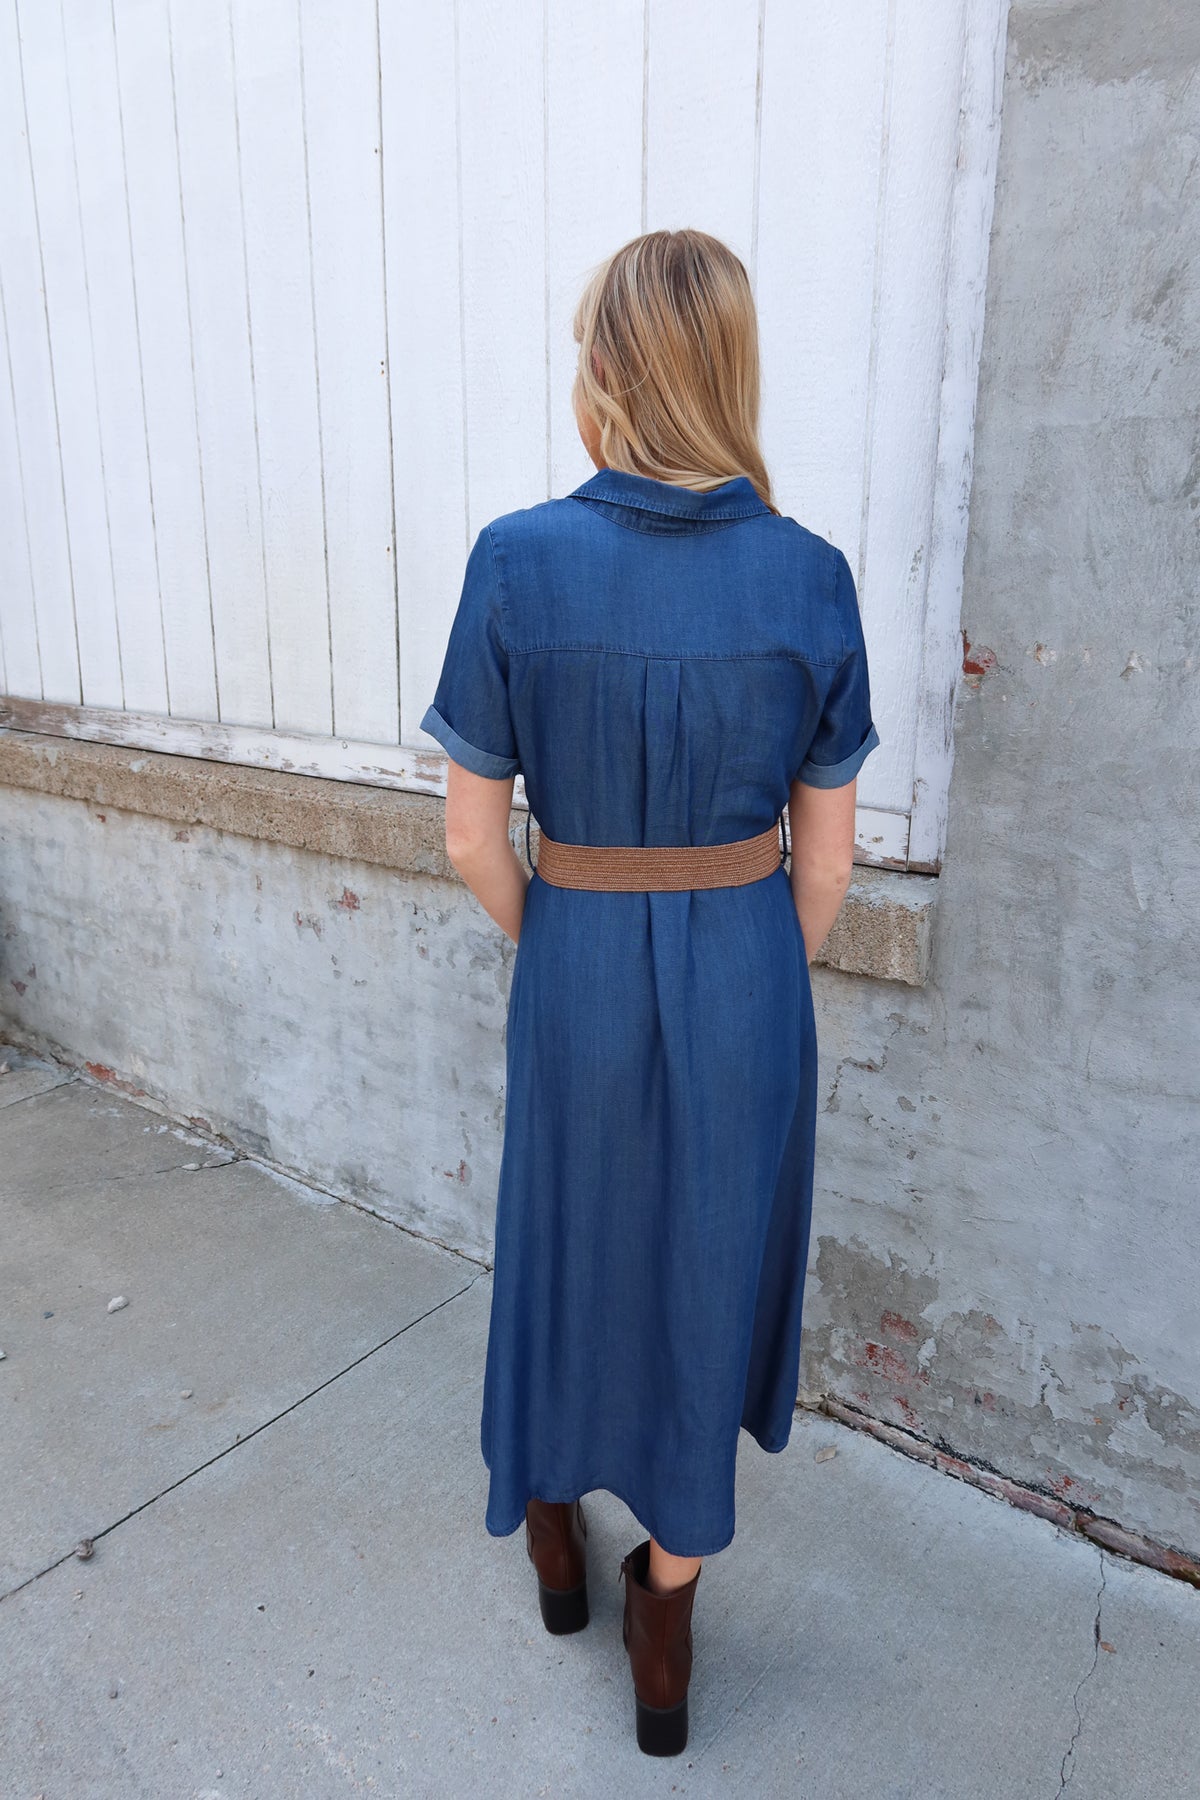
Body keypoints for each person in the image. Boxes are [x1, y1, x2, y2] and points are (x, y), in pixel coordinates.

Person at [420, 228, 880, 1757]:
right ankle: (666, 1618)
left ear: (610, 374)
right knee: (704, 1269)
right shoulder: (812, 578)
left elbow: (471, 838)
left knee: (565, 1245)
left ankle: (552, 1527)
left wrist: (563, 939)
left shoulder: (515, 559)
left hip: (578, 961)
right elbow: (828, 867)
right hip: (749, 968)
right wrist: (746, 970)